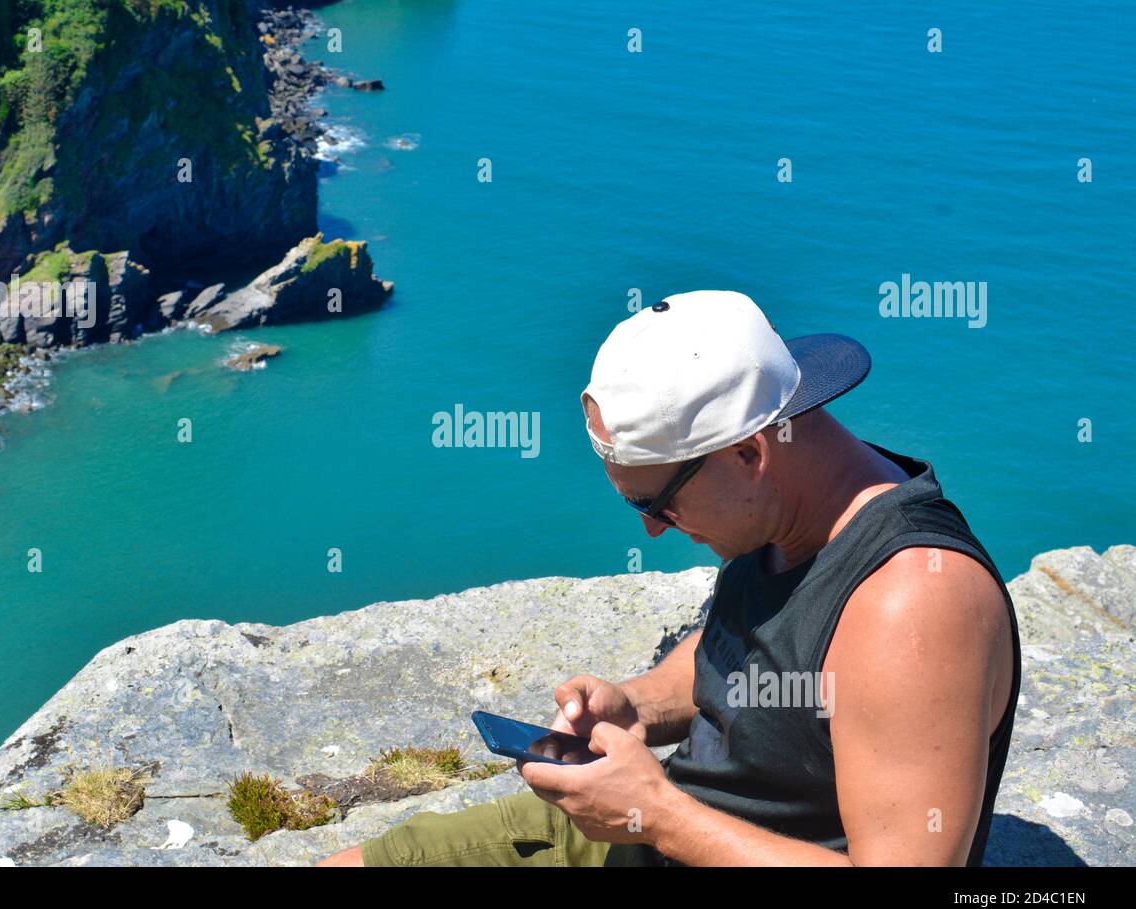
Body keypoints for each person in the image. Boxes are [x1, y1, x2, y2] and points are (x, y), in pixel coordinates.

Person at [318, 290, 1019, 866]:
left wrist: (658, 814)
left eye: (658, 502)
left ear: (748, 452)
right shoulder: (783, 508)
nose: (653, 528)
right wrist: (636, 706)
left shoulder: (913, 606)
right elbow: (755, 651)